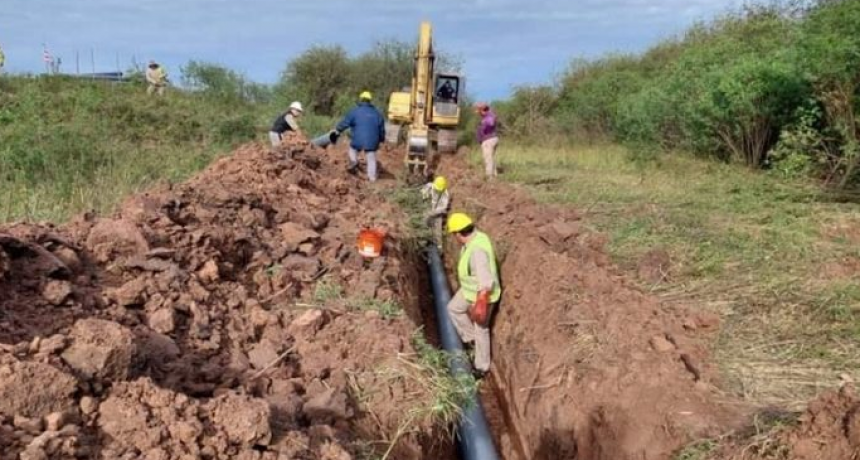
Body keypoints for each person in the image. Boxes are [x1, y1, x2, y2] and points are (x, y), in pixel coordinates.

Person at [446, 212, 502, 378]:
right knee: (453, 308)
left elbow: (485, 280)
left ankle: (482, 367)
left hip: (483, 294)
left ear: (458, 234)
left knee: (481, 328)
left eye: (453, 234)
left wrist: (481, 303)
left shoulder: (477, 251)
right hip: (469, 290)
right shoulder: (476, 238)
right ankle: (470, 339)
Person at [334, 91, 385, 182]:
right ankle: (372, 178)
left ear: (361, 99)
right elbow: (381, 129)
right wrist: (381, 139)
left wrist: (338, 129)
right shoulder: (377, 113)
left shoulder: (355, 111)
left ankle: (354, 161)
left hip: (358, 139)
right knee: (371, 157)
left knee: (352, 149)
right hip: (372, 141)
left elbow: (345, 123)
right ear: (370, 101)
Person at [421, 176, 451, 246]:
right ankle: (423, 240)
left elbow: (442, 208)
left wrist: (431, 213)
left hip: (437, 213)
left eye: (439, 190)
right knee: (423, 223)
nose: (437, 190)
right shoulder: (429, 186)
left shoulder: (445, 194)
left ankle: (438, 246)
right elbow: (422, 194)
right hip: (427, 208)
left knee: (438, 231)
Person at [475, 102, 499, 178]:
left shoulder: (488, 117)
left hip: (489, 140)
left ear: (482, 110)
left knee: (488, 158)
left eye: (479, 112)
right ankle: (494, 174)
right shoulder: (488, 116)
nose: (479, 114)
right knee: (491, 157)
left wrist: (484, 123)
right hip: (492, 139)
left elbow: (491, 123)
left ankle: (489, 177)